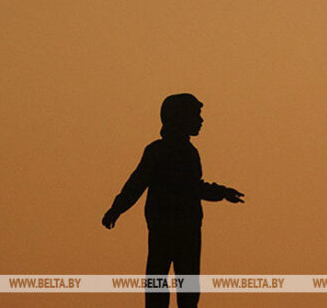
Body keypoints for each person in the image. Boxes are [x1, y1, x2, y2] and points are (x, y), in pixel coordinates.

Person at [102, 93, 244, 308]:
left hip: (185, 229)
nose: (201, 120)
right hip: (169, 228)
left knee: (180, 285)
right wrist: (116, 209)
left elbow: (190, 187)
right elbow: (137, 184)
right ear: (180, 118)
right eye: (196, 115)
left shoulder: (184, 152)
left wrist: (222, 193)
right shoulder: (161, 152)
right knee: (164, 282)